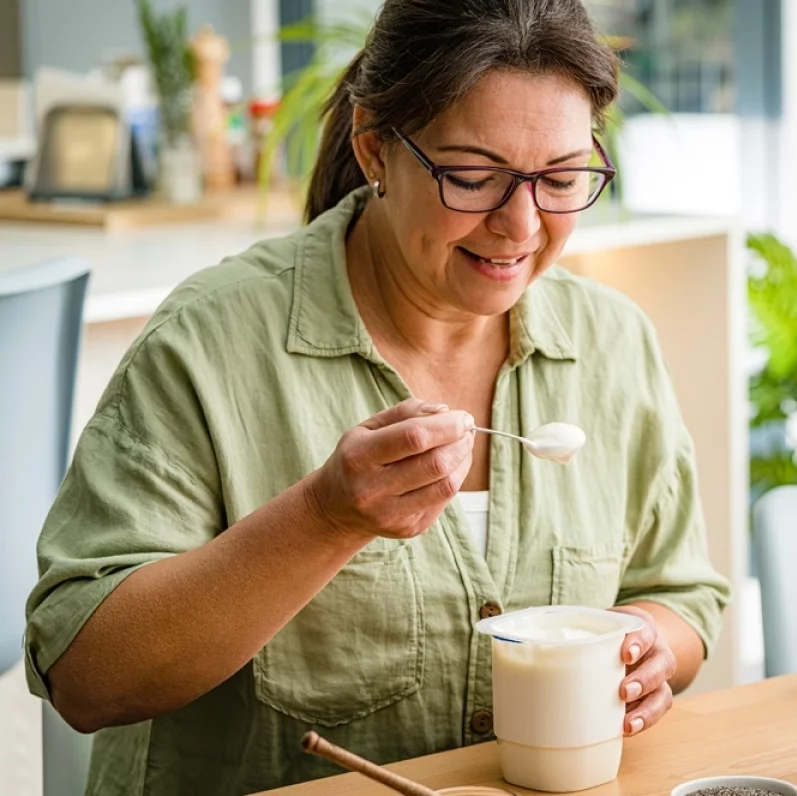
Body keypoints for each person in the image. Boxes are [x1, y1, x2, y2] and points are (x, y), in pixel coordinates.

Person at [23, 1, 731, 793]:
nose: (521, 224)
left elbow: (679, 592)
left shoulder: (612, 342)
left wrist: (648, 644)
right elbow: (85, 678)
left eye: (562, 178)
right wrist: (323, 518)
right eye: (471, 177)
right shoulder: (213, 342)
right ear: (374, 149)